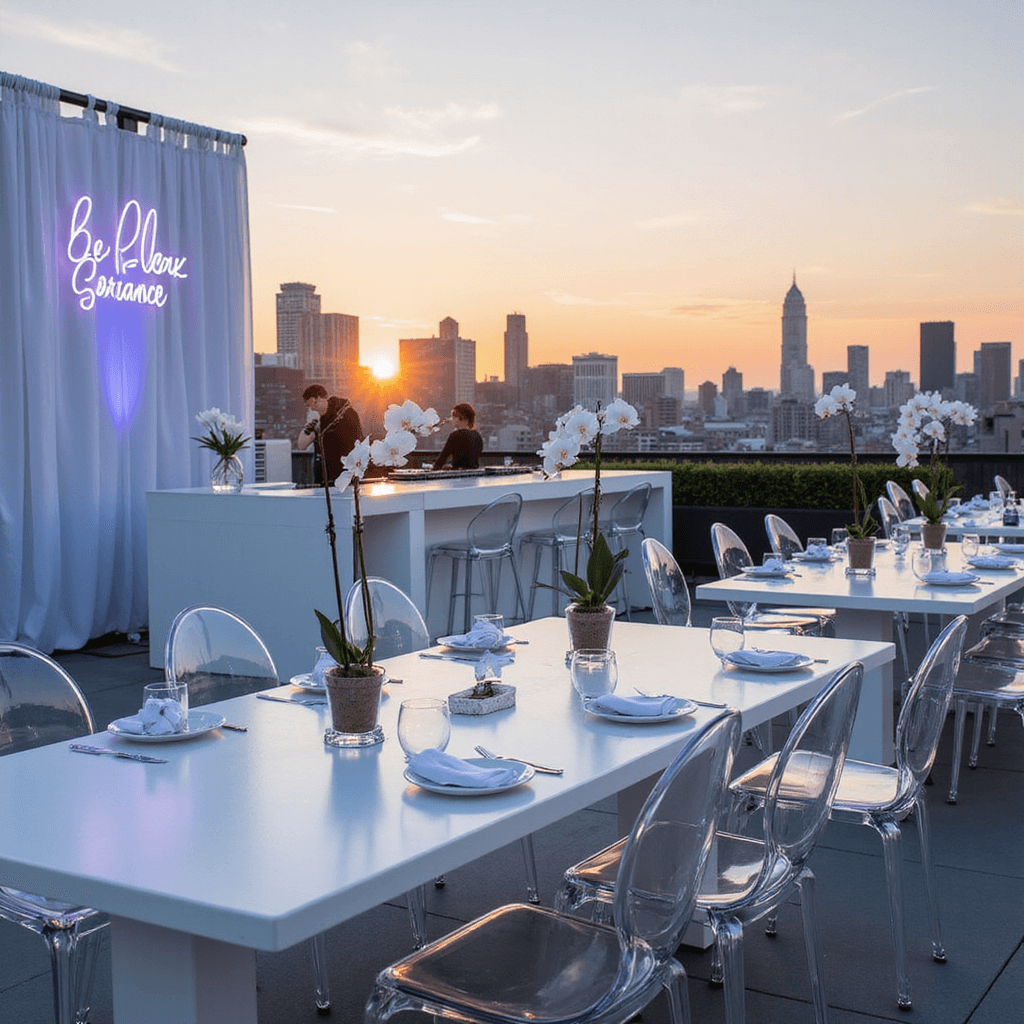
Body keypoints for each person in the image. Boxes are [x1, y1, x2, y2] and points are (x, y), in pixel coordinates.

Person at [296, 384, 362, 484]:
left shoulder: (345, 413)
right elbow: (302, 445)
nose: (313, 408)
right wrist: (308, 427)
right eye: (310, 406)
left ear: (322, 398)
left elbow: (356, 441)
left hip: (343, 472)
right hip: (323, 474)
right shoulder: (318, 422)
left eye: (315, 403)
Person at [433, 403, 484, 470]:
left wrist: (435, 468)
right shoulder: (477, 436)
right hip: (474, 474)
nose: (451, 419)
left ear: (462, 417)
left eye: (454, 416)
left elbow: (443, 458)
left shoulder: (455, 436)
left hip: (458, 475)